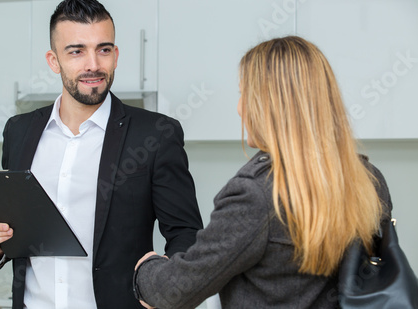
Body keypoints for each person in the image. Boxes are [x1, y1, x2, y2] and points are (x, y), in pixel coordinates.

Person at [0, 0, 203, 309]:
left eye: (103, 50)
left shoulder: (157, 134)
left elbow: (186, 233)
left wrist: (167, 285)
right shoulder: (19, 131)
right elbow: (17, 234)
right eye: (76, 51)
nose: (93, 65)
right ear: (54, 61)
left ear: (116, 55)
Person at [133, 36, 393, 309]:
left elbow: (175, 291)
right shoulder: (369, 179)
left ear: (270, 105)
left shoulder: (256, 194)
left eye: (244, 93)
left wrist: (146, 269)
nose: (239, 107)